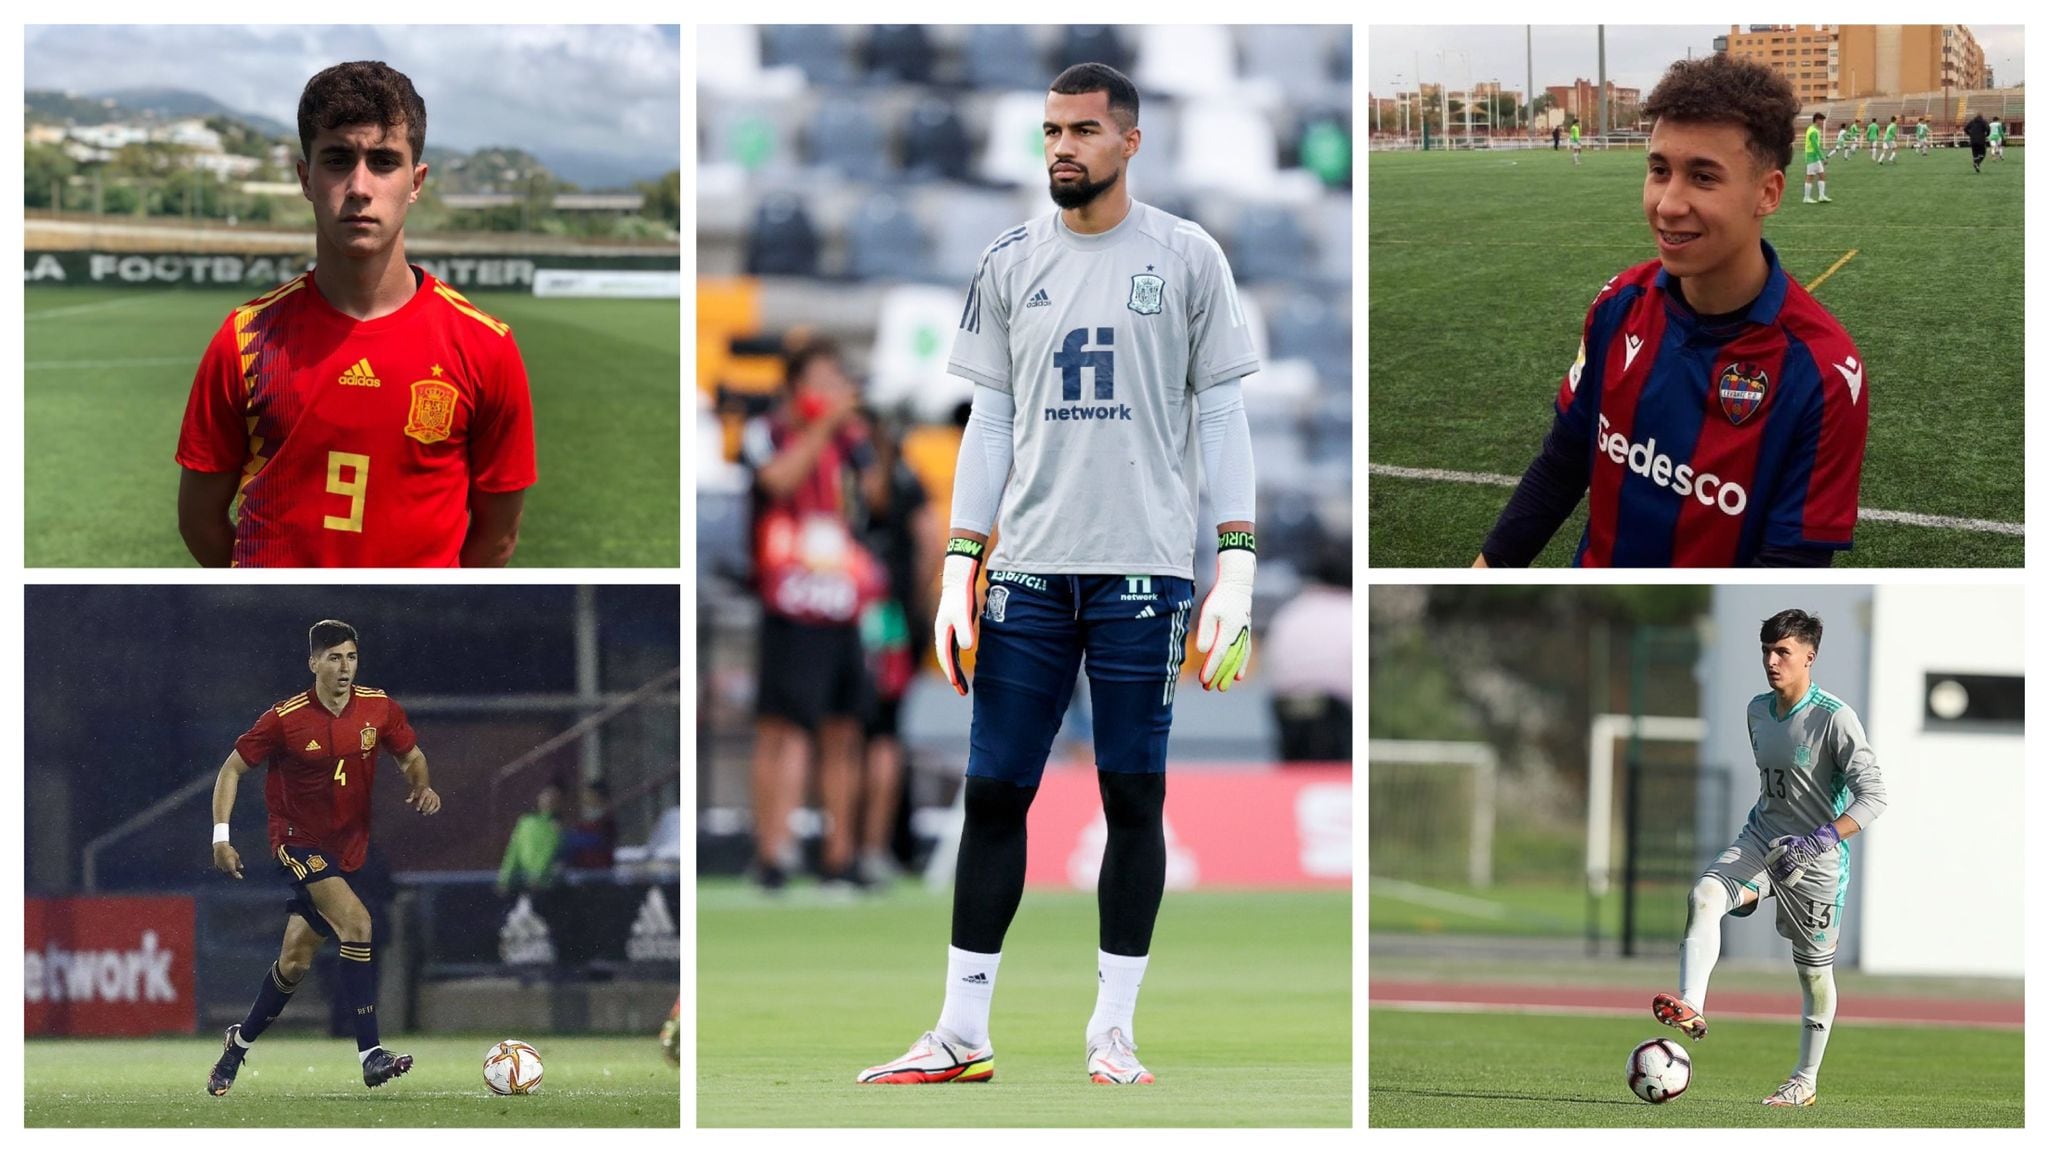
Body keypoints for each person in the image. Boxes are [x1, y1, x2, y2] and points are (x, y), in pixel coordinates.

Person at [858, 62, 1259, 1088]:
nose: (1061, 148)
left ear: (1129, 141)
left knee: (1131, 795)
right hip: (1026, 574)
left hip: (1142, 572)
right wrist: (958, 566)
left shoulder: (1185, 257)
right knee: (993, 794)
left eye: (1082, 129)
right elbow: (988, 422)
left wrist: (1237, 568)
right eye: (1049, 131)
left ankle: (1111, 1031)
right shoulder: (1004, 261)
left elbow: (1221, 417)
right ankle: (959, 1031)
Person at [1472, 54, 1868, 567]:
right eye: (1660, 170)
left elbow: (1789, 566)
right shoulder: (1618, 304)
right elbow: (1563, 463)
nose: (1668, 203)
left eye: (1703, 177)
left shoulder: (1825, 373)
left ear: (1767, 193)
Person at [175, 61, 536, 567]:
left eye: (384, 161)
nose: (360, 187)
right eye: (338, 160)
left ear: (416, 181)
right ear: (306, 177)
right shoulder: (245, 337)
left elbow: (497, 539)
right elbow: (200, 522)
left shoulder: (485, 346)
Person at [1653, 609, 1887, 1107]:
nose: (1771, 660)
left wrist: (1817, 841)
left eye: (1783, 651)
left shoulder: (1834, 718)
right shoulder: (1757, 710)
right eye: (1766, 650)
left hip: (1817, 862)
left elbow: (1875, 798)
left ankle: (1805, 1079)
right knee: (1705, 894)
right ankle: (1691, 1003)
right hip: (1761, 838)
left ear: (1809, 656)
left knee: (1813, 974)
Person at [205, 619, 440, 1095]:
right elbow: (230, 771)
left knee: (294, 959)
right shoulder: (284, 718)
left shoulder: (378, 708)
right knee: (358, 923)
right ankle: (371, 1054)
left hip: (348, 848)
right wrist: (221, 838)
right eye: (333, 657)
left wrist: (422, 784)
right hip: (297, 841)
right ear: (313, 663)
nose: (344, 667)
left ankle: (238, 1044)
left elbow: (411, 756)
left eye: (351, 656)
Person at [742, 338, 883, 890]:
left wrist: (866, 439)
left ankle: (839, 855)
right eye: (819, 381)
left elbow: (874, 500)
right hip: (790, 598)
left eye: (835, 381)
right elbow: (776, 481)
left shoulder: (852, 443)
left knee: (844, 728)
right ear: (796, 387)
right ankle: (774, 852)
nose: (830, 393)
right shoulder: (768, 432)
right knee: (785, 727)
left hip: (842, 599)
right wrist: (824, 428)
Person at [856, 411, 938, 883]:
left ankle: (866, 847)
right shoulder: (904, 475)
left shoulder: (878, 473)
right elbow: (930, 540)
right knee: (876, 733)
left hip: (874, 617)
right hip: (889, 616)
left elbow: (927, 538)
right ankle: (871, 847)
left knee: (872, 733)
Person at [497, 782, 564, 894]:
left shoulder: (557, 826)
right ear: (539, 797)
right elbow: (514, 850)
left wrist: (538, 876)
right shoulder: (526, 822)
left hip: (546, 884)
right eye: (546, 796)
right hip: (522, 882)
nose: (549, 800)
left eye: (553, 797)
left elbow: (550, 851)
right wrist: (505, 879)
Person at [563, 780, 618, 870]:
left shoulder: (606, 820)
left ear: (599, 797)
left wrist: (572, 839)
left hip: (600, 870)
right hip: (582, 869)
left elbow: (601, 841)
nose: (586, 798)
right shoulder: (583, 819)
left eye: (590, 795)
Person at [1800, 112, 1830, 204]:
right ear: (1817, 120)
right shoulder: (1813, 131)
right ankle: (1806, 197)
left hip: (1815, 156)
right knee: (1810, 176)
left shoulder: (1813, 129)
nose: (1822, 123)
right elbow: (1815, 146)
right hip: (1812, 156)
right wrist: (1823, 157)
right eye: (1821, 121)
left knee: (1822, 175)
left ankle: (1821, 196)